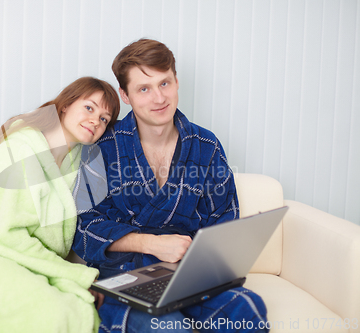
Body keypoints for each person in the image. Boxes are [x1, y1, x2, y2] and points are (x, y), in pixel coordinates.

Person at [73, 39, 269, 333]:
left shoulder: (206, 146)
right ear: (125, 95)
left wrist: (199, 263)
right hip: (126, 278)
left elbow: (224, 221)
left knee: (248, 307)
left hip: (190, 278)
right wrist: (150, 243)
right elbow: (84, 228)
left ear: (176, 82)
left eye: (164, 84)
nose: (158, 98)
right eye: (143, 89)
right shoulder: (102, 148)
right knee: (167, 327)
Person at [0, 77, 120, 333]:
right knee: (52, 313)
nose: (96, 121)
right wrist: (76, 274)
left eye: (104, 119)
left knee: (82, 308)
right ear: (65, 105)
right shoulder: (19, 148)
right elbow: (2, 233)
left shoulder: (79, 165)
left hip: (25, 261)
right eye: (89, 108)